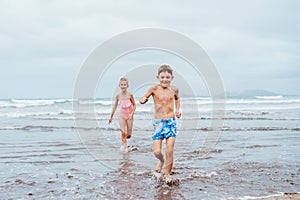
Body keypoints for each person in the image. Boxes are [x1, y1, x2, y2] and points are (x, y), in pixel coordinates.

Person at [139, 64, 181, 181]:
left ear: (172, 78)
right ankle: (161, 161)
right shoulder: (154, 89)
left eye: (167, 77)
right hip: (158, 123)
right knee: (157, 152)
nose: (165, 80)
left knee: (169, 150)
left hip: (171, 122)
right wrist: (143, 100)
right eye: (162, 77)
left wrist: (177, 110)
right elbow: (144, 97)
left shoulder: (174, 89)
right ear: (158, 77)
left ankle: (167, 175)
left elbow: (177, 99)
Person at [109, 77, 136, 152]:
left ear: (127, 86)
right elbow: (115, 106)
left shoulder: (130, 95)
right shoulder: (118, 96)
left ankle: (126, 140)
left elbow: (134, 105)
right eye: (122, 85)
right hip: (122, 116)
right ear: (119, 86)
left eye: (125, 84)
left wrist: (132, 113)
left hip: (130, 116)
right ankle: (125, 147)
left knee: (129, 135)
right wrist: (111, 116)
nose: (123, 86)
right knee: (123, 132)